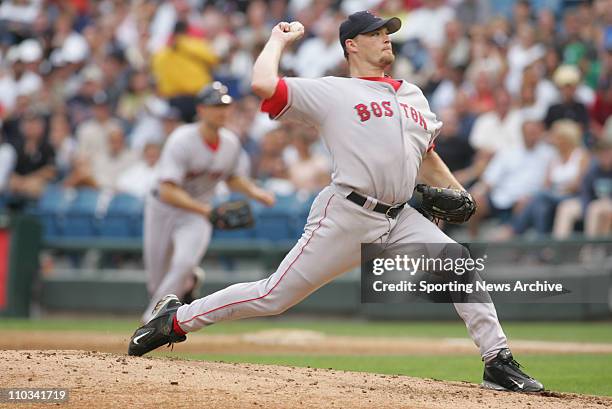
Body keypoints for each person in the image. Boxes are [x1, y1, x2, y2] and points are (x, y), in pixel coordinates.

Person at [127, 12, 544, 393]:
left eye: (388, 34)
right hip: (347, 212)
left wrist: (460, 194)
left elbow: (428, 157)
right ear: (351, 45)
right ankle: (176, 319)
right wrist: (277, 41)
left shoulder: (415, 96)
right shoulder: (332, 92)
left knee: (459, 265)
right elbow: (262, 85)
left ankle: (498, 361)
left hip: (399, 218)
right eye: (375, 34)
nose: (386, 40)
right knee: (273, 296)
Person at [137, 81, 275, 323]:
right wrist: (205, 209)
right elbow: (167, 190)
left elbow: (232, 178)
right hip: (164, 208)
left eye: (225, 105)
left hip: (198, 214)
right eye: (215, 106)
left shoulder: (231, 142)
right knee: (157, 279)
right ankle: (189, 282)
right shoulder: (182, 140)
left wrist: (255, 192)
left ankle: (152, 319)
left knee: (183, 263)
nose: (222, 111)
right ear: (201, 110)